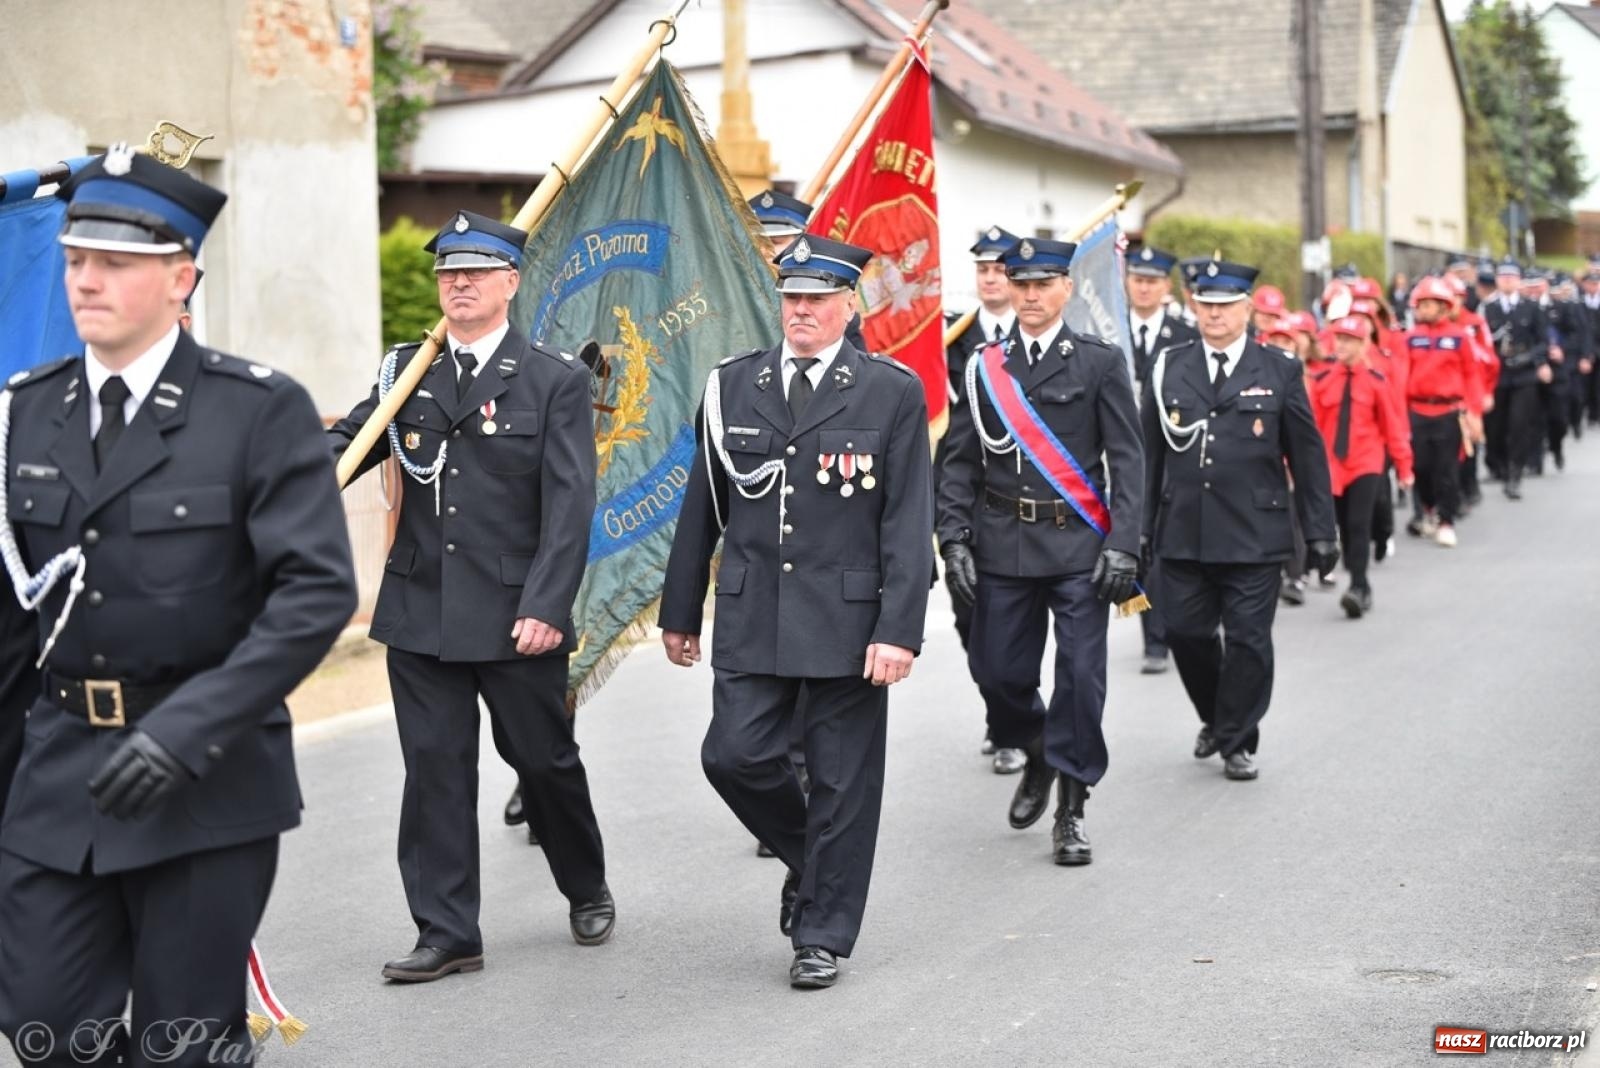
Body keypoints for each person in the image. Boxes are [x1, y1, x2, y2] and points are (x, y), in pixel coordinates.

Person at [0, 146, 357, 1065]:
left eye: (115, 263)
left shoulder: (257, 411)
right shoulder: (25, 413)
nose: (86, 280)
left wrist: (186, 730)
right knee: (44, 1026)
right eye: (77, 260)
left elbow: (314, 595)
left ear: (180, 276)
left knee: (178, 1044)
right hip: (57, 775)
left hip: (207, 778)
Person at [330, 209, 614, 983]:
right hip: (422, 608)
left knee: (543, 759)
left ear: (510, 283)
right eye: (448, 273)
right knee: (433, 772)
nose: (457, 284)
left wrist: (547, 606)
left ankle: (584, 882)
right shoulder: (406, 371)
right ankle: (448, 930)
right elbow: (350, 445)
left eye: (475, 273)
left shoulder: (554, 378)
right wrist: (282, 477)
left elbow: (569, 506)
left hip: (515, 611)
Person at [659, 234, 933, 990]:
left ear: (850, 304)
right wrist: (680, 611)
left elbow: (908, 521)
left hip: (849, 623)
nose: (803, 310)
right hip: (752, 613)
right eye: (792, 297)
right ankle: (818, 863)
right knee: (732, 756)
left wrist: (898, 631)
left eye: (818, 298)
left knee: (844, 779)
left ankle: (822, 935)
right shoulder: (731, 386)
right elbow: (701, 508)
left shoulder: (889, 391)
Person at [937, 235, 1143, 865]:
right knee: (996, 673)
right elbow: (959, 460)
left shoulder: (1099, 362)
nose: (1028, 295)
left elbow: (1129, 460)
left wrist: (1125, 546)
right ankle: (1036, 749)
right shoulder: (984, 367)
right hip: (1003, 544)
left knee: (1081, 680)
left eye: (1040, 284)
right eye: (1018, 284)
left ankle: (1072, 810)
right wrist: (953, 537)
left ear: (1065, 289)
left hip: (1080, 548)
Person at [1139, 257, 1337, 781]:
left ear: (1247, 308)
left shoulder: (1279, 369)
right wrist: (1134, 531)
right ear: (1193, 306)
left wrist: (1320, 532)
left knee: (1250, 641)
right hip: (1183, 530)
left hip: (1254, 534)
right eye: (1205, 304)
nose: (1214, 314)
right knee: (1185, 634)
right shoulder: (1169, 365)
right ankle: (1218, 716)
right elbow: (1148, 457)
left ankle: (1236, 739)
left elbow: (1309, 458)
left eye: (1226, 305)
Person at [946, 226, 1027, 771]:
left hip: (1019, 498)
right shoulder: (950, 338)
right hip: (958, 495)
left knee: (1013, 624)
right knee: (968, 615)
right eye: (984, 269)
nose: (991, 278)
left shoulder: (1036, 337)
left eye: (1001, 269)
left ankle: (1010, 727)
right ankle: (999, 708)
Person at [1125, 246, 1199, 672]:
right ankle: (1141, 624)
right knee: (1125, 548)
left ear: (1165, 287)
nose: (1144, 287)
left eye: (1152, 280)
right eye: (1138, 279)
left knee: (1156, 543)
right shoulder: (1108, 327)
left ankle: (1159, 637)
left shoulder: (1184, 334)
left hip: (1166, 457)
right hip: (1115, 455)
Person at [1310, 318, 1415, 617]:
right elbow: (1311, 431)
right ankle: (1359, 578)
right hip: (1334, 468)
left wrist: (1404, 467)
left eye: (1348, 340)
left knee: (1358, 525)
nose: (1341, 345)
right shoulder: (1322, 382)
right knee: (1342, 526)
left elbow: (1393, 428)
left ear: (1363, 344)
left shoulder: (1377, 382)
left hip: (1366, 463)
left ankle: (1358, 585)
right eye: (1338, 339)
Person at [1401, 277, 1482, 548]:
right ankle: (1427, 508)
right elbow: (1401, 377)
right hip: (1417, 411)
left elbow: (1472, 376)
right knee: (1420, 466)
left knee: (1446, 469)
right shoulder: (1410, 339)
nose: (1422, 309)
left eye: (1428, 304)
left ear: (1444, 306)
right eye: (1419, 304)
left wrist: (1474, 412)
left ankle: (1446, 521)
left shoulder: (1460, 337)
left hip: (1449, 412)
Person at [1482, 259, 1551, 500]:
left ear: (1519, 280)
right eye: (1503, 276)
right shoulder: (1488, 308)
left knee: (1519, 425)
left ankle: (1515, 474)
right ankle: (1498, 465)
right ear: (1498, 280)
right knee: (1496, 426)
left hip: (1523, 375)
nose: (1508, 280)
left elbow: (1543, 341)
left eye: (1512, 276)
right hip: (1497, 374)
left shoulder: (1531, 308)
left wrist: (1531, 358)